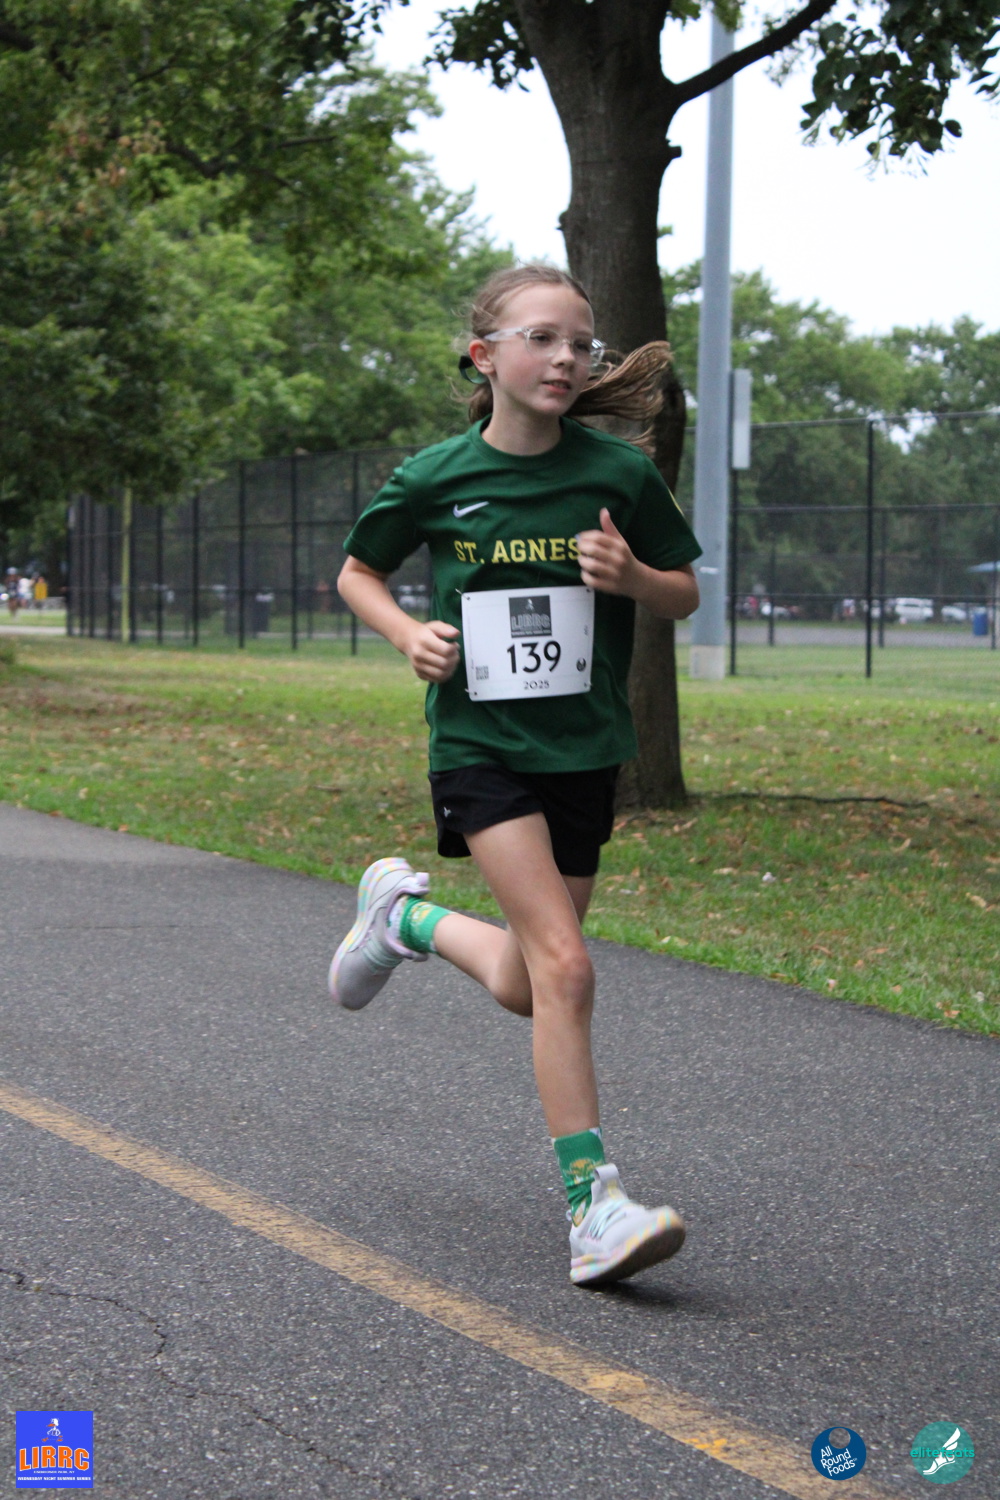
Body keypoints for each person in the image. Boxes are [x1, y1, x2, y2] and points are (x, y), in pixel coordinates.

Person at [330, 264, 702, 1287]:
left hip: (583, 751)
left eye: (579, 343)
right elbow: (358, 572)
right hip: (480, 746)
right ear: (483, 357)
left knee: (525, 983)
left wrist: (634, 577)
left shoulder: (618, 474)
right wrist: (407, 634)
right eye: (541, 338)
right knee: (568, 969)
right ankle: (594, 1208)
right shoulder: (436, 476)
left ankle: (405, 921)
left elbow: (682, 592)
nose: (565, 358)